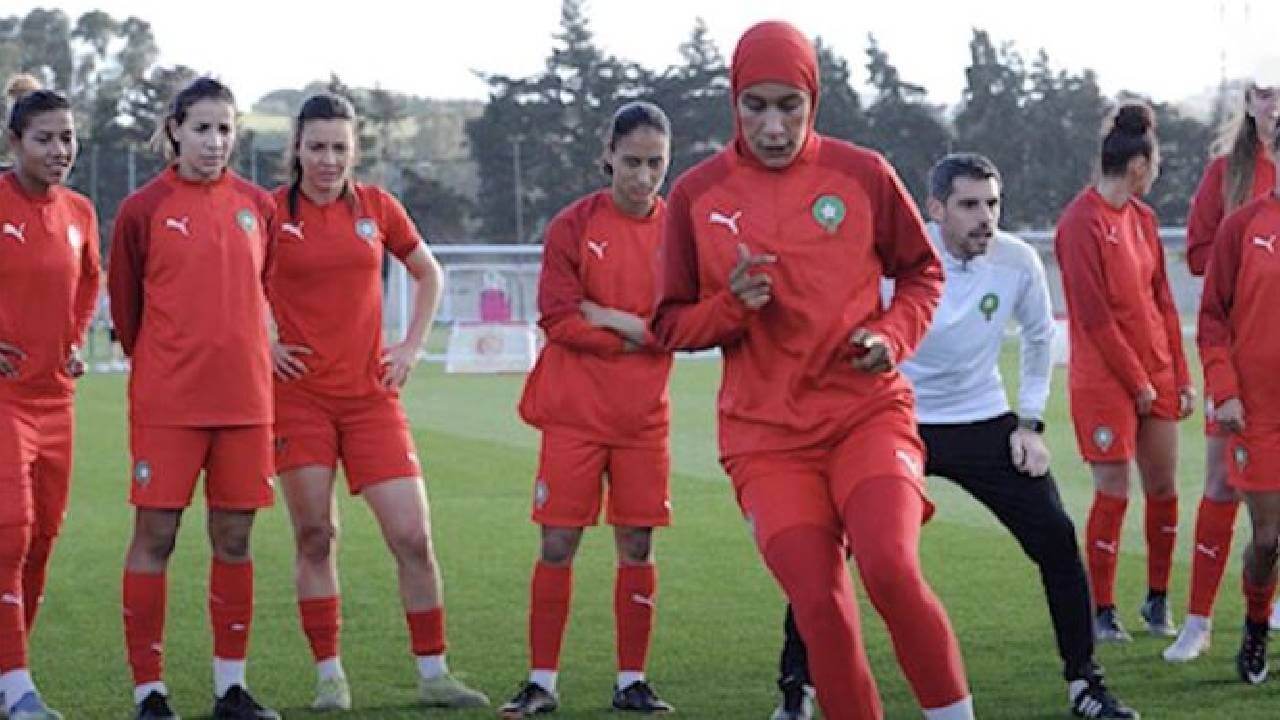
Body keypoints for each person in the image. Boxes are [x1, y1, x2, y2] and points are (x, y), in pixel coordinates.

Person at [651, 21, 973, 720]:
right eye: (755, 105)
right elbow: (669, 323)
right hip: (765, 439)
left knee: (890, 567)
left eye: (789, 105)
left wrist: (891, 334)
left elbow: (922, 273)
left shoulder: (862, 174)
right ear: (733, 102)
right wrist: (730, 308)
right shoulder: (697, 195)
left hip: (865, 413)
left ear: (814, 100)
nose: (773, 126)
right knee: (821, 605)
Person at [769, 153, 1138, 720]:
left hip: (982, 419)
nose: (984, 217)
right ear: (935, 209)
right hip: (891, 418)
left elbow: (1039, 337)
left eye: (992, 204)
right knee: (828, 551)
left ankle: (1086, 684)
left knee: (1057, 538)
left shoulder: (1017, 260)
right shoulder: (893, 261)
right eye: (968, 205)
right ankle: (798, 687)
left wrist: (1030, 423)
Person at [267, 92, 488, 711]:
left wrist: (412, 346)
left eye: (340, 147)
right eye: (317, 146)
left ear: (355, 150)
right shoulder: (269, 212)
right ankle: (330, 677)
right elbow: (238, 279)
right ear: (297, 148)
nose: (328, 159)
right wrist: (265, 341)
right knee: (316, 535)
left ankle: (434, 674)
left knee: (412, 535)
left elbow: (429, 273)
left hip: (371, 398)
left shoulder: (377, 207)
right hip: (299, 399)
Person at [109, 77, 279, 720]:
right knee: (156, 535)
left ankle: (231, 687)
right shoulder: (143, 208)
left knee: (234, 539)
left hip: (246, 403)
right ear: (175, 129)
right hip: (169, 405)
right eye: (202, 128)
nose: (214, 142)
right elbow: (126, 311)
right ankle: (149, 692)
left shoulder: (258, 206)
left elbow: (261, 291)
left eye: (225, 129)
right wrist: (167, 365)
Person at [499, 101, 675, 718]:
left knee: (637, 544)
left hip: (643, 420)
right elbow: (559, 319)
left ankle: (633, 681)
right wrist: (639, 335)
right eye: (632, 162)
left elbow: (679, 327)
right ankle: (541, 682)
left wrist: (615, 319)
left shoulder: (679, 233)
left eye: (655, 163)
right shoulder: (573, 226)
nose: (643, 176)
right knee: (557, 543)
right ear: (608, 155)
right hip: (574, 414)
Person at [1054, 102, 1195, 645]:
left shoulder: (1144, 220)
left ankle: (1157, 601)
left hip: (1155, 373)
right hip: (1105, 379)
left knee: (1163, 488)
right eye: (1156, 163)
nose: (1157, 172)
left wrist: (1180, 375)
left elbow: (1163, 303)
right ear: (1139, 165)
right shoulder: (1080, 223)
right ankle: (1102, 608)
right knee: (1113, 489)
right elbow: (1094, 318)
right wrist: (1137, 381)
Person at [1165, 80, 1280, 662]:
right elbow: (1200, 265)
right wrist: (1248, 254)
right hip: (1242, 379)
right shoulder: (1228, 179)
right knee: (1224, 491)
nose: (1274, 101)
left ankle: (1266, 610)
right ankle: (1199, 621)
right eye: (1265, 92)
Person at [0, 74, 101, 720]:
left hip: (56, 400)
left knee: (42, 541)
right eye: (45, 139)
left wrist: (76, 336)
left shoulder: (80, 212)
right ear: (14, 143)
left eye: (67, 138)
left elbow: (91, 280)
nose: (60, 150)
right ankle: (18, 689)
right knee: (10, 533)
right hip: (4, 399)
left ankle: (8, 676)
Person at [1196, 117, 1280, 684]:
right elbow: (1212, 320)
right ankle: (1254, 625)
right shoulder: (1244, 225)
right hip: (1257, 411)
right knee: (1268, 540)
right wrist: (1223, 391)